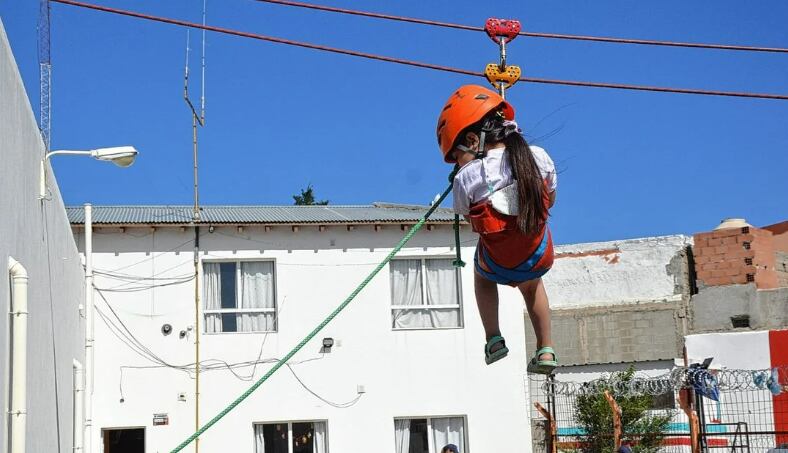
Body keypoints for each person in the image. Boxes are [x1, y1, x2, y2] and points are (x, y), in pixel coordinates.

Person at [436, 85, 558, 374]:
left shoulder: (467, 176)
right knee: (533, 286)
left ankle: (493, 338)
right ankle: (546, 349)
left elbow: (471, 221)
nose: (458, 163)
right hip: (538, 254)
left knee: (482, 279)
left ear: (471, 139)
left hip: (498, 261)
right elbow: (550, 198)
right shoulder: (537, 156)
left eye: (458, 155)